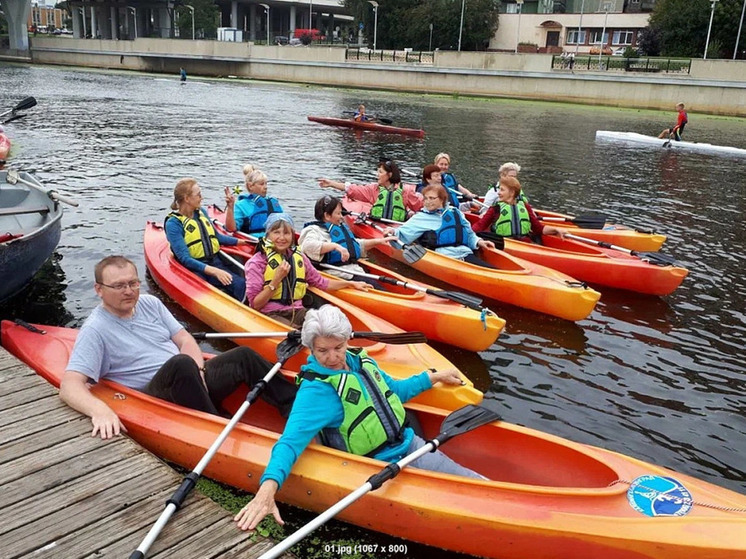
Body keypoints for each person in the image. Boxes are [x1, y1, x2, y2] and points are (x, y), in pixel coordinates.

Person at [233, 304, 486, 532]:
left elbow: (394, 391)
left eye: (338, 347)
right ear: (310, 348)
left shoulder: (360, 362)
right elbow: (290, 442)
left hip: (410, 445)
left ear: (347, 341)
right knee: (458, 511)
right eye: (322, 351)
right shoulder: (315, 391)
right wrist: (266, 490)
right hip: (374, 468)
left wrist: (434, 377)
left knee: (475, 485)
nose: (332, 357)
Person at [59, 256, 298, 440]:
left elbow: (184, 340)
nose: (129, 291)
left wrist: (200, 372)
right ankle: (217, 423)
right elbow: (70, 384)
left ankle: (295, 408)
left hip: (191, 378)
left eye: (133, 283)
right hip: (158, 393)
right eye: (119, 286)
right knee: (181, 364)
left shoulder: (150, 303)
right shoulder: (95, 329)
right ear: (99, 289)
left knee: (243, 356)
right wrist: (99, 410)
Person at [244, 213, 371, 328]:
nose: (282, 238)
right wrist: (276, 280)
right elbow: (255, 305)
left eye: (286, 233)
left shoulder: (300, 258)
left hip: (297, 310)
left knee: (327, 326)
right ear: (267, 235)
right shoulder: (257, 263)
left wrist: (350, 284)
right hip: (269, 313)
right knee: (297, 334)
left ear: (292, 235)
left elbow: (321, 282)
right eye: (276, 232)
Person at [164, 177, 250, 301]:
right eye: (198, 195)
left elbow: (216, 237)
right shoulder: (173, 224)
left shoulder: (201, 212)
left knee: (241, 285)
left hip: (214, 262)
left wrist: (240, 242)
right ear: (187, 199)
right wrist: (214, 272)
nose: (202, 198)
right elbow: (185, 259)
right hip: (194, 268)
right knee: (208, 295)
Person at [382, 185, 496, 267]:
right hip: (442, 258)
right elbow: (402, 233)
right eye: (425, 198)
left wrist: (480, 242)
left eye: (432, 198)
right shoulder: (421, 217)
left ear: (442, 199)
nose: (427, 202)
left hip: (464, 253)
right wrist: (392, 232)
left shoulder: (456, 212)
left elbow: (469, 234)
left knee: (491, 269)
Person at [298, 194, 396, 281]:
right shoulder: (313, 230)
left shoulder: (339, 227)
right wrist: (335, 246)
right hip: (337, 274)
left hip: (353, 270)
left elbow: (355, 245)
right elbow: (307, 246)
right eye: (338, 213)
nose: (341, 216)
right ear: (327, 215)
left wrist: (378, 241)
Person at [319, 159, 423, 222]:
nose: (377, 174)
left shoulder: (405, 190)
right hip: (377, 223)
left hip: (397, 225)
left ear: (389, 175)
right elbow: (354, 189)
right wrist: (331, 184)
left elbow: (420, 205)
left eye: (380, 172)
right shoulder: (374, 189)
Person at [471, 176, 565, 242]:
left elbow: (539, 228)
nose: (499, 193)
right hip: (505, 244)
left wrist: (556, 230)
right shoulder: (495, 208)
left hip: (524, 243)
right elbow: (479, 226)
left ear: (512, 192)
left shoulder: (525, 206)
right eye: (499, 189)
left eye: (502, 190)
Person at [224, 167, 284, 237]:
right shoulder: (241, 205)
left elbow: (284, 224)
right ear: (250, 186)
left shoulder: (273, 202)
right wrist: (230, 207)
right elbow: (231, 229)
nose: (265, 187)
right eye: (261, 184)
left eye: (266, 184)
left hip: (276, 240)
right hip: (254, 241)